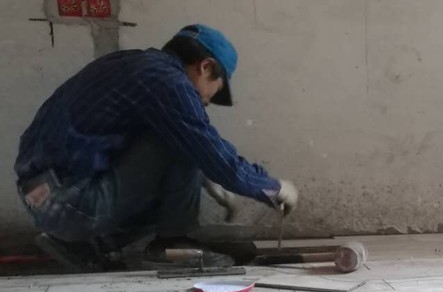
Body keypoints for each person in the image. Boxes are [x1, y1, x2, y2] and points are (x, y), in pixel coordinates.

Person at [14, 24, 298, 271]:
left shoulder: (133, 65)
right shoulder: (169, 82)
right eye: (215, 90)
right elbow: (205, 146)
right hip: (72, 202)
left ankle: (86, 244)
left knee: (180, 140)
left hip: (46, 198)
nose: (208, 101)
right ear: (206, 67)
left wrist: (202, 176)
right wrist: (271, 187)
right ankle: (172, 245)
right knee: (185, 141)